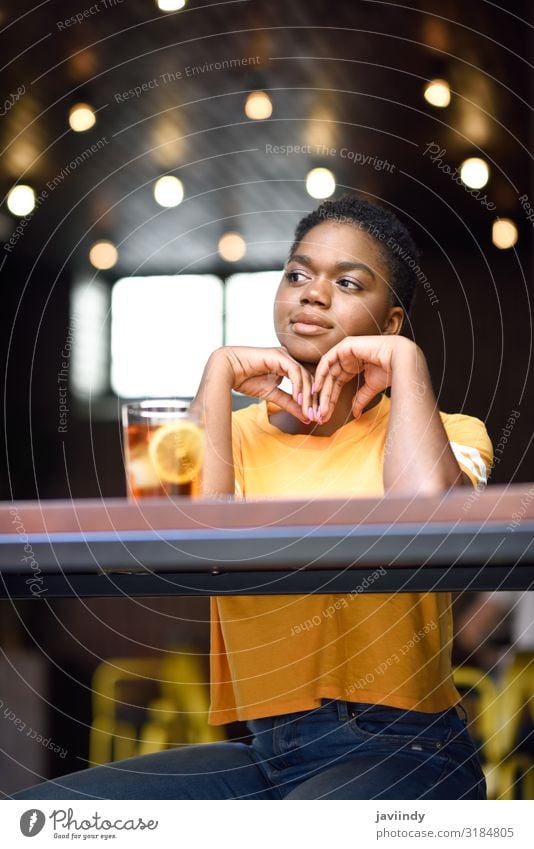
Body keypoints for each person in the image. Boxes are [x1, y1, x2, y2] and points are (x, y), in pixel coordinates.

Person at [13, 195, 492, 800]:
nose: (312, 294)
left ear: (390, 321)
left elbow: (427, 511)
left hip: (409, 748)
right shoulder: (233, 437)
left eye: (347, 282)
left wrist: (406, 360)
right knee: (46, 814)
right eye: (297, 274)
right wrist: (217, 374)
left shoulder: (451, 434)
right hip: (268, 751)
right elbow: (181, 539)